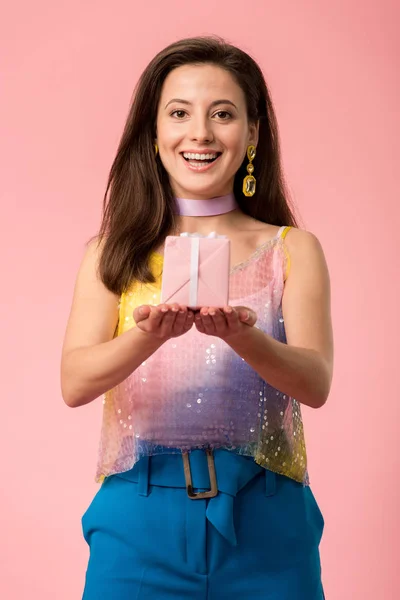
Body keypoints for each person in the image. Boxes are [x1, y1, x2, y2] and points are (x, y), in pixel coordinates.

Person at [61, 35, 333, 600]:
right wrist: (147, 336)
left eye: (224, 114)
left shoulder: (292, 248)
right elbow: (74, 383)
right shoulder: (113, 251)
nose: (200, 134)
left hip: (268, 519)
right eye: (179, 113)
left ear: (253, 133)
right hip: (137, 520)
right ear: (154, 131)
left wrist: (245, 338)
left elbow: (315, 382)